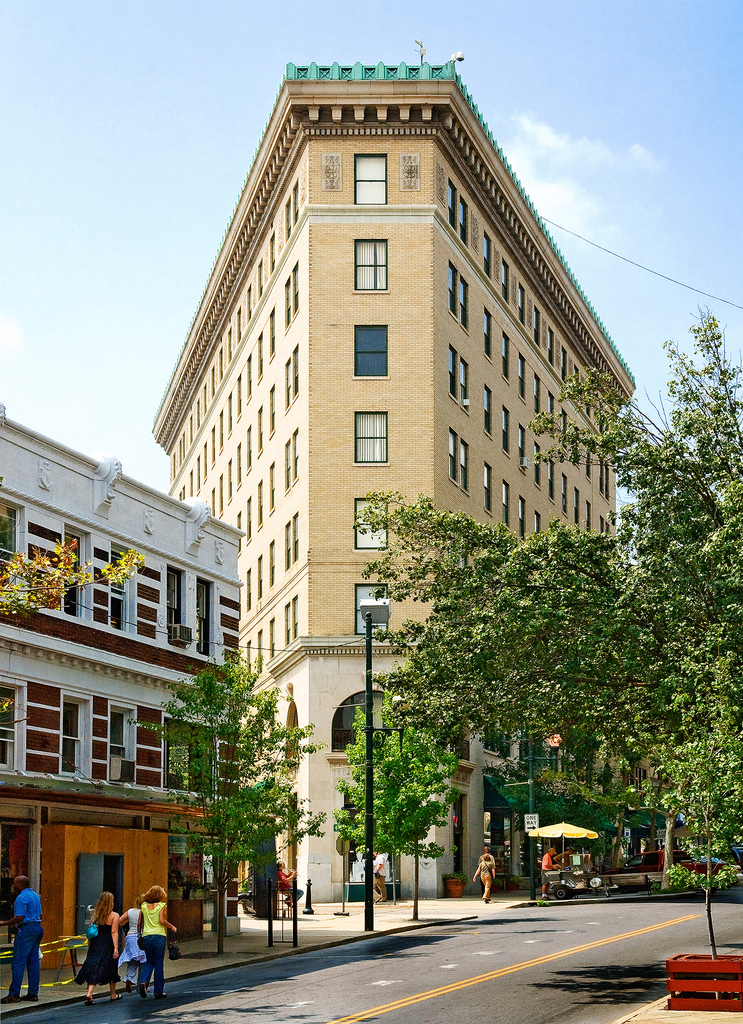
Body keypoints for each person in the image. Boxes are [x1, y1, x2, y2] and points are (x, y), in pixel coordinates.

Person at [0, 876, 43, 1003]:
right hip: (37, 928)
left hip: (26, 930)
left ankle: (14, 994)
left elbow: (19, 917)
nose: (13, 886)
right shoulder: (35, 896)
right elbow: (40, 914)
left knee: (18, 963)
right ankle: (33, 993)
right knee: (33, 962)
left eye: (14, 884)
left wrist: (4, 923)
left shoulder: (21, 898)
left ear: (20, 884)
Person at [75, 891, 121, 1005]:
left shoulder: (95, 914)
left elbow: (91, 931)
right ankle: (113, 994)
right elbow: (114, 932)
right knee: (111, 967)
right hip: (108, 944)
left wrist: (90, 945)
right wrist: (116, 948)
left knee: (94, 967)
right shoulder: (114, 916)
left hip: (96, 943)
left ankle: (90, 993)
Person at [138, 885, 176, 999]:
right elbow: (161, 920)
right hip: (159, 935)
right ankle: (158, 991)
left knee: (149, 961)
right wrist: (171, 926)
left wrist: (139, 934)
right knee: (158, 963)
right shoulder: (161, 906)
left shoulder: (143, 906)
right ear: (159, 895)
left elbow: (140, 923)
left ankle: (143, 982)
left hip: (146, 936)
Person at [118, 893, 146, 992]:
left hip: (130, 936)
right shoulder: (145, 912)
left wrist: (125, 926)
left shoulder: (130, 911)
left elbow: (119, 921)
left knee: (132, 960)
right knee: (143, 960)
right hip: (141, 937)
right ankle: (142, 984)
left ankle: (129, 978)